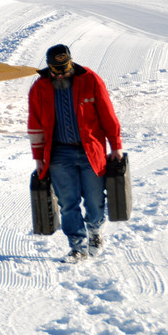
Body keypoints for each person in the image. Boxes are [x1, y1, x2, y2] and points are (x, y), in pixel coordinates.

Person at [28, 44, 124, 262]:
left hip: (92, 151)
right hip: (59, 154)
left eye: (64, 68)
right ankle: (77, 247)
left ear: (71, 62)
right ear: (49, 68)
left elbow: (108, 115)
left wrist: (116, 146)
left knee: (94, 201)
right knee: (68, 203)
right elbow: (35, 124)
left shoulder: (90, 79)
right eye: (56, 71)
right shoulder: (39, 87)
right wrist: (38, 159)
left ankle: (95, 230)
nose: (61, 74)